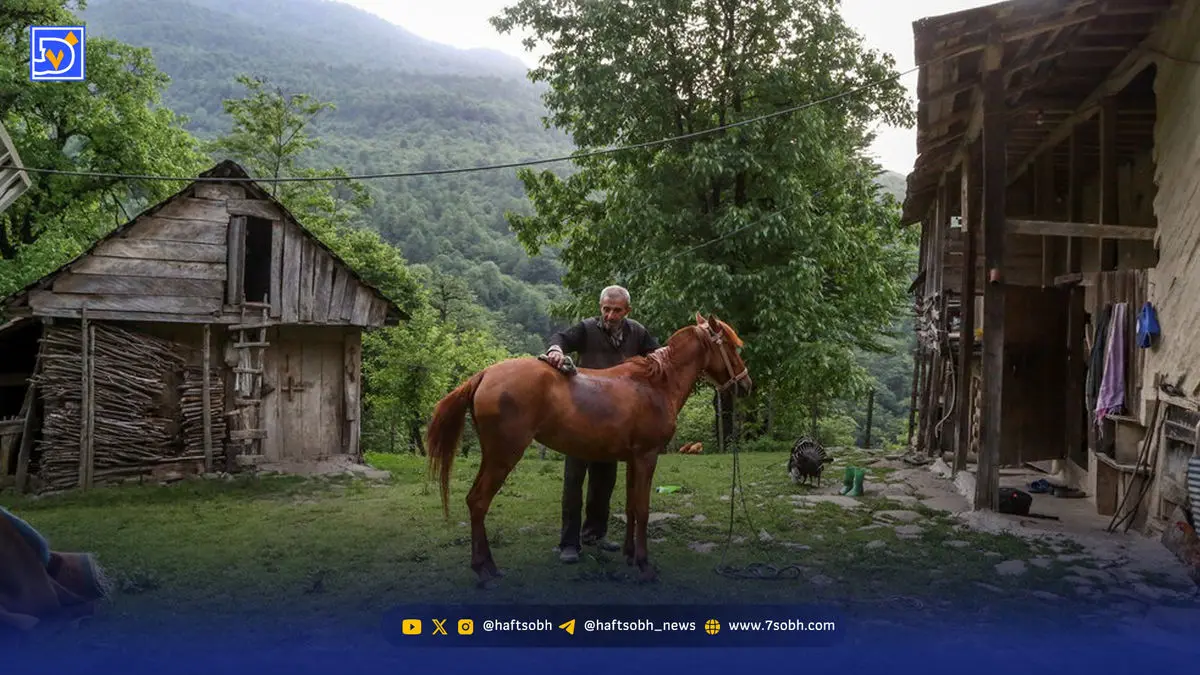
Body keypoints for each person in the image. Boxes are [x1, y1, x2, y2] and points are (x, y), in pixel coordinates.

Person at [543, 285, 660, 563]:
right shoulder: (586, 329)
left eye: (616, 310)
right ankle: (569, 544)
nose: (610, 315)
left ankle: (595, 534)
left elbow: (658, 355)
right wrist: (556, 350)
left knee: (604, 482)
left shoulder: (637, 332)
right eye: (606, 309)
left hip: (615, 421)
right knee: (574, 481)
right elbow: (560, 337)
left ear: (627, 311)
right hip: (581, 416)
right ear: (601, 307)